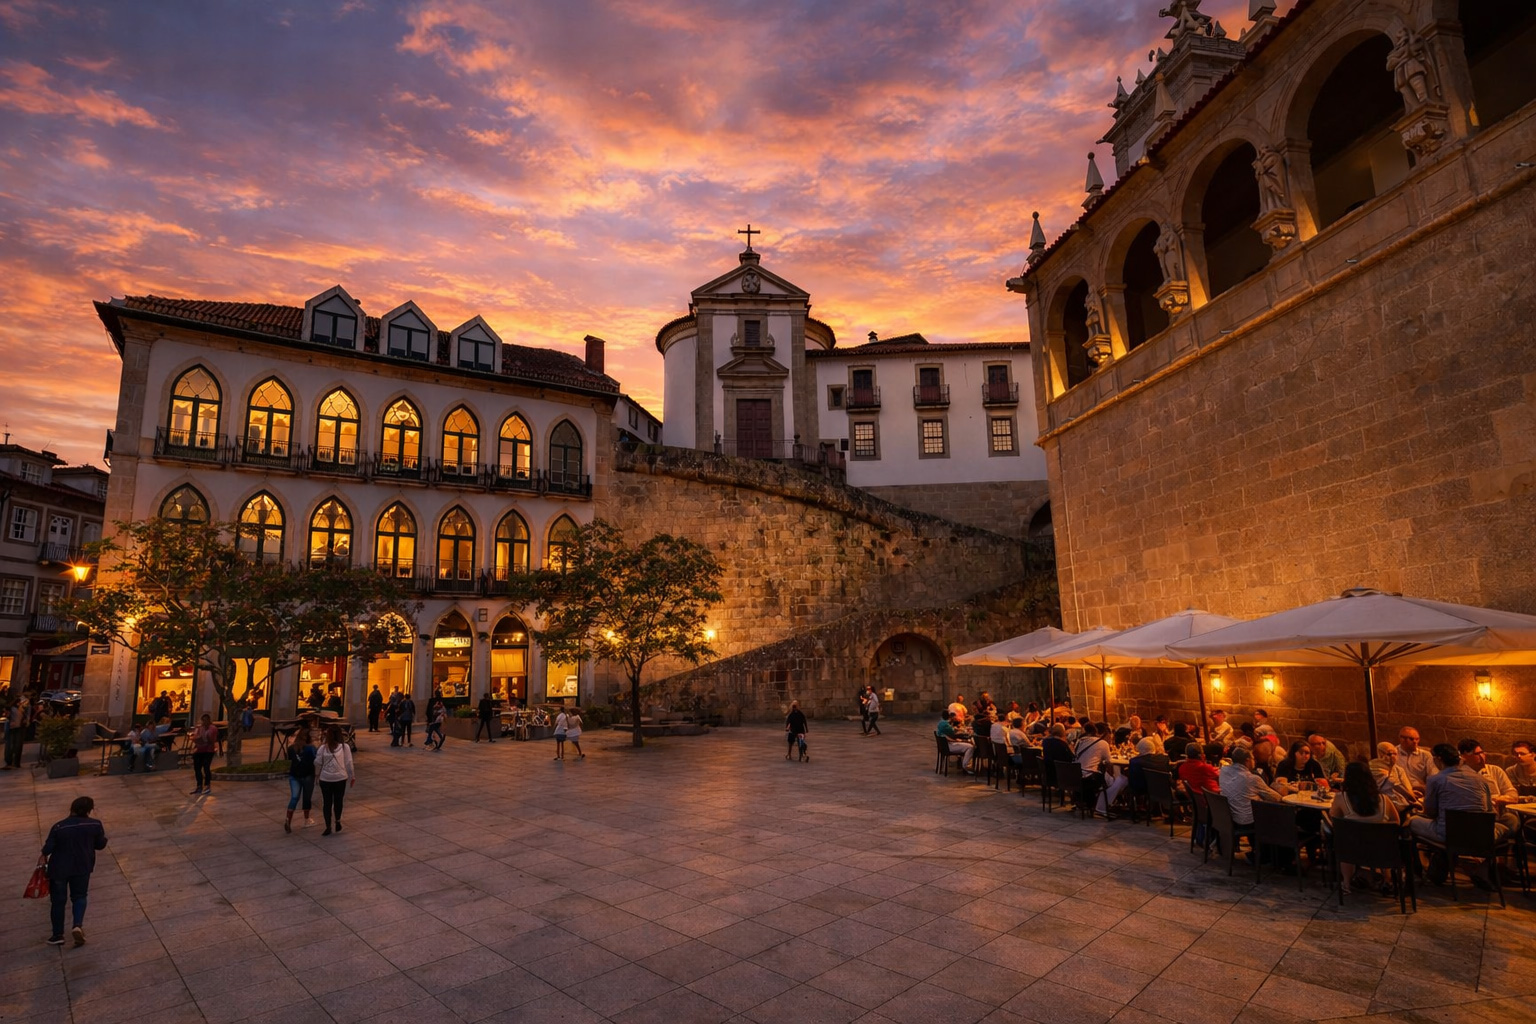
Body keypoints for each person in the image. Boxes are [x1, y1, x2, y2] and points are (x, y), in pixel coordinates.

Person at [1412, 743, 1500, 887]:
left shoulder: (1436, 780)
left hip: (1448, 833)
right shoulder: (1480, 779)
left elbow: (1430, 812)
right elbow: (1490, 810)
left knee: (1411, 822)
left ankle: (1417, 872)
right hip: (1481, 835)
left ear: (1438, 759)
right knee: (1512, 822)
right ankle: (1482, 870)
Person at [39, 796, 108, 947]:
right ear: (90, 810)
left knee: (58, 902)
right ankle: (77, 925)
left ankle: (57, 935)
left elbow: (47, 849)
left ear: (71, 809)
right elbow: (100, 845)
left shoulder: (59, 827)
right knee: (79, 896)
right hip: (82, 867)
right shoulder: (95, 825)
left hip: (59, 869)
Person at [1331, 761, 1400, 894]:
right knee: (1383, 836)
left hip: (1352, 851)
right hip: (1382, 851)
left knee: (1343, 838)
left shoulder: (1341, 798)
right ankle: (1387, 879)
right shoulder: (1384, 799)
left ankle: (1346, 883)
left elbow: (1334, 819)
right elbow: (1395, 822)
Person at [1459, 738, 1520, 831]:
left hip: (1497, 815)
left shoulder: (1495, 770)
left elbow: (1513, 795)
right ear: (1464, 756)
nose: (1482, 757)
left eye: (1482, 753)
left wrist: (1497, 799)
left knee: (1512, 819)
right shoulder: (1459, 774)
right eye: (1476, 754)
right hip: (1474, 815)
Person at [1219, 746, 1283, 828]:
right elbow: (1276, 798)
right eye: (1253, 758)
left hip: (1229, 818)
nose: (1254, 761)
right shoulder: (1251, 778)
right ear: (1248, 761)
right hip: (1247, 821)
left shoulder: (1223, 771)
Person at [315, 724, 354, 836]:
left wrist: (317, 774)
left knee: (327, 803)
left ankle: (328, 826)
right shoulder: (344, 747)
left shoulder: (323, 748)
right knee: (338, 800)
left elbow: (317, 762)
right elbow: (349, 763)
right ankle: (337, 821)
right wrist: (352, 776)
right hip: (340, 778)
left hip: (325, 778)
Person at [284, 725, 316, 832]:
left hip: (294, 775)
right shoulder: (311, 748)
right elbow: (316, 760)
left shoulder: (291, 748)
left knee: (294, 797)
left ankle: (288, 819)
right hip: (308, 775)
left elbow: (289, 760)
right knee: (307, 797)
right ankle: (306, 819)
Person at [1369, 742, 1417, 814]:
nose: (1393, 757)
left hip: (1401, 800)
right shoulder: (1374, 767)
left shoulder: (1398, 769)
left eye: (1395, 754)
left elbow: (1405, 787)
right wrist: (1412, 798)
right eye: (1389, 754)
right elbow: (1396, 785)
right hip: (1384, 803)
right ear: (1380, 754)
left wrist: (1412, 793)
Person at [1395, 727, 1435, 795]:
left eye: (1417, 739)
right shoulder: (1393, 753)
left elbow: (1433, 775)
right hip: (1399, 791)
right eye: (1411, 739)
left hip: (1420, 791)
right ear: (1402, 739)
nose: (1415, 742)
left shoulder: (1425, 755)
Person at [190, 714, 218, 795]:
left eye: (205, 720)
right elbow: (196, 736)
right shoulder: (200, 728)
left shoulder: (212, 729)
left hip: (208, 750)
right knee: (197, 768)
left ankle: (207, 785)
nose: (204, 722)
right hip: (200, 749)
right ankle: (199, 786)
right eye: (203, 721)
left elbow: (211, 741)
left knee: (206, 766)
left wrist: (204, 739)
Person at [3, 699, 28, 769]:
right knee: (11, 745)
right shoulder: (12, 709)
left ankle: (15, 762)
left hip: (18, 728)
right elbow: (7, 715)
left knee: (17, 746)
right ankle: (11, 762)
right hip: (13, 728)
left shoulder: (21, 709)